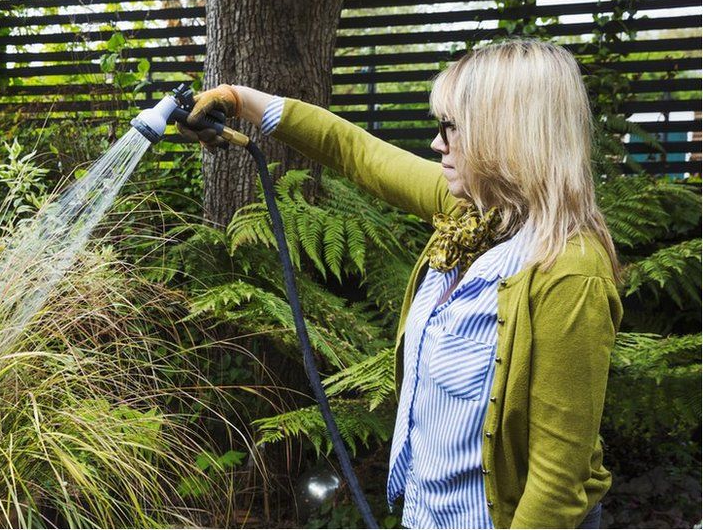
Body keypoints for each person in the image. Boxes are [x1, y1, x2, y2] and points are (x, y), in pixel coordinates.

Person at [178, 38, 620, 529]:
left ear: (506, 134)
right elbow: (356, 153)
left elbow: (557, 484)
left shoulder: (569, 273)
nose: (437, 144)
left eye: (450, 128)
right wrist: (241, 100)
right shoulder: (474, 216)